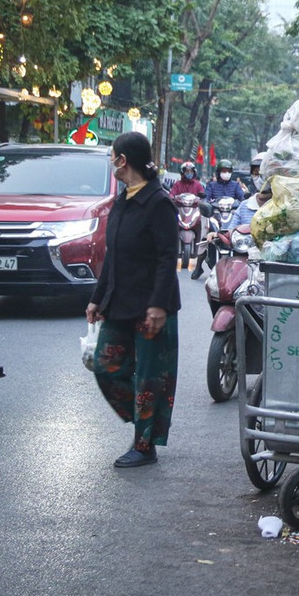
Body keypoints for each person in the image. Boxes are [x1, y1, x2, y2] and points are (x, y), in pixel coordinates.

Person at [86, 132, 181, 468]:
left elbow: (168, 257)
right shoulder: (123, 200)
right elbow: (113, 255)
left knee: (149, 377)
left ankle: (144, 445)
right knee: (105, 366)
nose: (111, 161)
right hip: (118, 301)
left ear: (123, 160)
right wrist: (97, 299)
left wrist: (158, 305)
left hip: (150, 305)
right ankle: (147, 421)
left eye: (113, 156)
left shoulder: (158, 202)